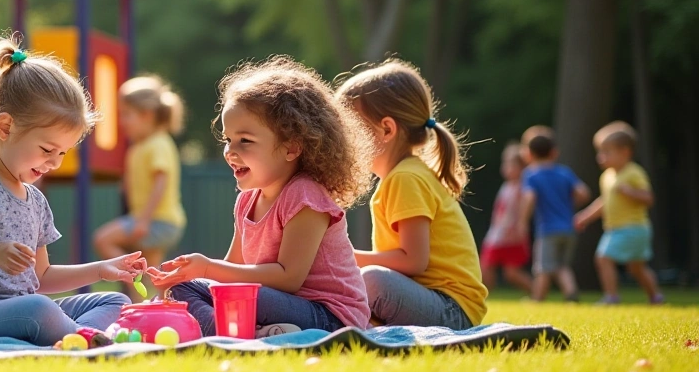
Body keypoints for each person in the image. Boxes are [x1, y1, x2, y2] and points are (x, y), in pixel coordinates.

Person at [0, 39, 145, 346]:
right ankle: (81, 339)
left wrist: (101, 270)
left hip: (20, 310)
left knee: (114, 303)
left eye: (63, 153)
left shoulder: (35, 200)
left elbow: (41, 276)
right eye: (47, 149)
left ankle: (77, 338)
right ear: (5, 128)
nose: (54, 162)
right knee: (38, 309)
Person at [151, 57, 373, 337]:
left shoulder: (305, 195)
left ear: (291, 148)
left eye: (245, 140)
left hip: (329, 316)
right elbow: (234, 269)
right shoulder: (247, 201)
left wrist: (208, 268)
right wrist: (190, 274)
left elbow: (288, 278)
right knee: (180, 290)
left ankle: (229, 332)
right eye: (227, 139)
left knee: (240, 296)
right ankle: (251, 332)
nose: (230, 151)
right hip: (277, 307)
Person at [338, 59, 488, 329]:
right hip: (431, 302)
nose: (345, 140)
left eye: (352, 129)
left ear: (386, 129)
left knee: (371, 279)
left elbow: (413, 260)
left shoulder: (405, 178)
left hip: (451, 311)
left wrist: (343, 256)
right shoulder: (404, 175)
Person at [93, 75, 188, 300]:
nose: (122, 121)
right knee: (154, 271)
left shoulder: (158, 143)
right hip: (158, 221)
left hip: (158, 221)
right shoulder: (141, 146)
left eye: (127, 114)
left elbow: (161, 183)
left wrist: (144, 219)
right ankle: (160, 305)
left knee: (103, 239)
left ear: (147, 115)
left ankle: (130, 273)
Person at [574, 121, 665, 305]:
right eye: (600, 152)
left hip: (633, 227)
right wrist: (586, 216)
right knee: (636, 268)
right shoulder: (607, 176)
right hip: (616, 228)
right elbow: (605, 202)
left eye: (607, 152)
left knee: (603, 258)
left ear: (625, 151)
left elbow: (649, 198)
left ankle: (612, 296)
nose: (601, 157)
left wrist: (631, 192)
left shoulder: (633, 173)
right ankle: (655, 296)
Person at [518, 125, 590, 302]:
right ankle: (571, 293)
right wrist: (567, 204)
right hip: (568, 227)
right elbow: (583, 193)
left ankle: (537, 299)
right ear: (554, 152)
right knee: (561, 266)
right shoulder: (564, 173)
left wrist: (522, 222)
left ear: (528, 154)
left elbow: (529, 198)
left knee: (543, 267)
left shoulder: (531, 175)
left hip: (547, 229)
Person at [480, 143, 533, 293]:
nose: (507, 168)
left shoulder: (522, 188)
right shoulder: (506, 186)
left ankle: (537, 293)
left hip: (511, 234)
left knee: (511, 273)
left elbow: (521, 211)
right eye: (505, 164)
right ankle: (486, 295)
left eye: (512, 165)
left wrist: (519, 228)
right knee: (485, 265)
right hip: (497, 233)